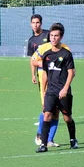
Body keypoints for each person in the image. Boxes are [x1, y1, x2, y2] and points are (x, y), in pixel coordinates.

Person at [36, 23, 78, 153]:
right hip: (51, 91)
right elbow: (45, 74)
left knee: (67, 118)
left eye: (56, 36)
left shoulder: (66, 54)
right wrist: (43, 91)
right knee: (47, 115)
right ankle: (43, 144)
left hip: (63, 91)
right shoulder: (46, 55)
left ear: (61, 37)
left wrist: (65, 88)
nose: (53, 38)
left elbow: (72, 72)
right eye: (52, 35)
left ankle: (73, 140)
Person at [28, 14, 60, 147]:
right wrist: (33, 75)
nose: (35, 25)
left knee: (56, 108)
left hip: (56, 74)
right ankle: (40, 134)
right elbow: (32, 60)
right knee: (46, 107)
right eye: (33, 23)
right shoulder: (31, 41)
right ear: (31, 24)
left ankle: (50, 139)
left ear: (41, 24)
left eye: (37, 22)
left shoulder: (48, 35)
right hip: (43, 75)